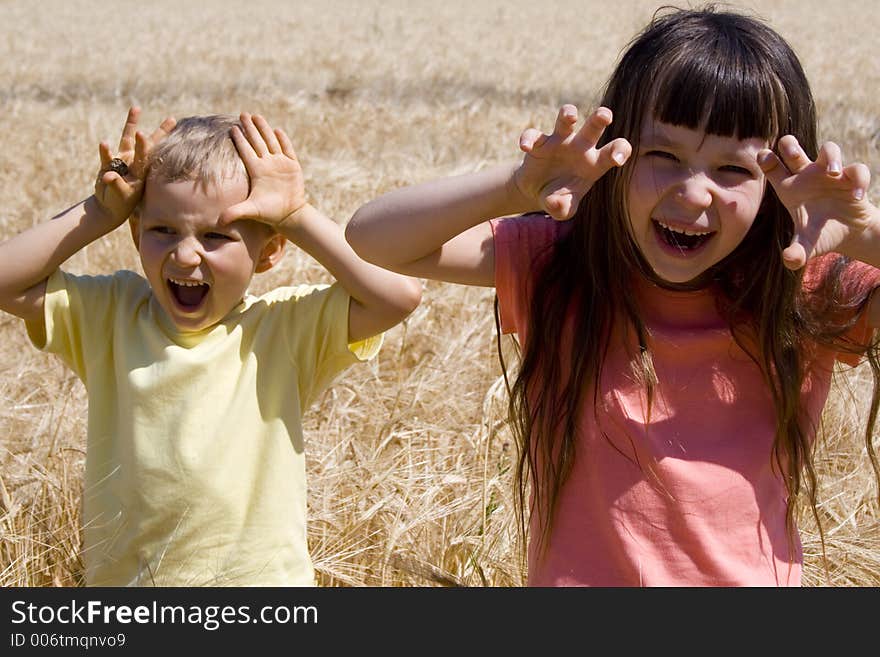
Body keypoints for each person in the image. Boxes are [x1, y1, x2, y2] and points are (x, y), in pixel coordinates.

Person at [345, 5, 880, 586]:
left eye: (732, 170)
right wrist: (517, 185)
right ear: (617, 156)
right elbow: (374, 238)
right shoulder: (562, 267)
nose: (694, 193)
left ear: (777, 187)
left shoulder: (805, 289)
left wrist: (868, 237)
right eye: (663, 156)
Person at [0, 108, 421, 586]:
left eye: (216, 236)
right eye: (162, 230)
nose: (184, 254)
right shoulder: (111, 315)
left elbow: (398, 295)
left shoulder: (284, 329)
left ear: (270, 252)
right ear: (135, 232)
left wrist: (297, 216)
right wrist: (98, 213)